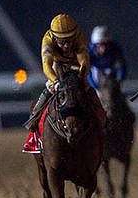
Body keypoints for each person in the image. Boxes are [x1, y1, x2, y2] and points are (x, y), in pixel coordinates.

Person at [22, 14, 106, 153]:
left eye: (69, 40)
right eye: (62, 41)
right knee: (50, 88)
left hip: (75, 66)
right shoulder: (47, 40)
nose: (66, 45)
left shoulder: (79, 37)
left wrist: (81, 74)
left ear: (74, 36)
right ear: (54, 38)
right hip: (57, 67)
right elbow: (46, 65)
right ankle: (34, 119)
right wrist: (55, 82)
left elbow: (84, 60)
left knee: (86, 88)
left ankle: (101, 117)